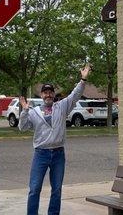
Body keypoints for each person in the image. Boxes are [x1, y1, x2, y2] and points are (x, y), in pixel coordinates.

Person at [19, 64, 91, 215]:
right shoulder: (34, 112)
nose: (48, 95)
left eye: (50, 92)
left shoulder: (62, 107)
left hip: (58, 154)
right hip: (41, 154)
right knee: (34, 189)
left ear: (53, 94)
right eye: (45, 93)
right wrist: (25, 111)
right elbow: (23, 128)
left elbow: (75, 95)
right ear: (41, 95)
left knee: (57, 189)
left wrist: (83, 79)